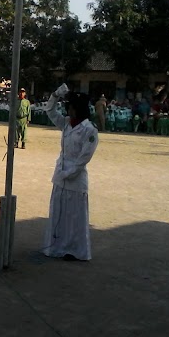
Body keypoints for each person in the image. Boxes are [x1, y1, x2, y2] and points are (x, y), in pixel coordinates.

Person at [42, 84, 99, 261]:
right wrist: (55, 95)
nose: (69, 111)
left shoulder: (90, 130)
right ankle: (56, 246)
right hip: (61, 175)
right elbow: (50, 111)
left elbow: (84, 158)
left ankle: (74, 250)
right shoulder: (67, 124)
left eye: (72, 107)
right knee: (59, 212)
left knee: (75, 216)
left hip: (75, 178)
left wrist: (69, 173)